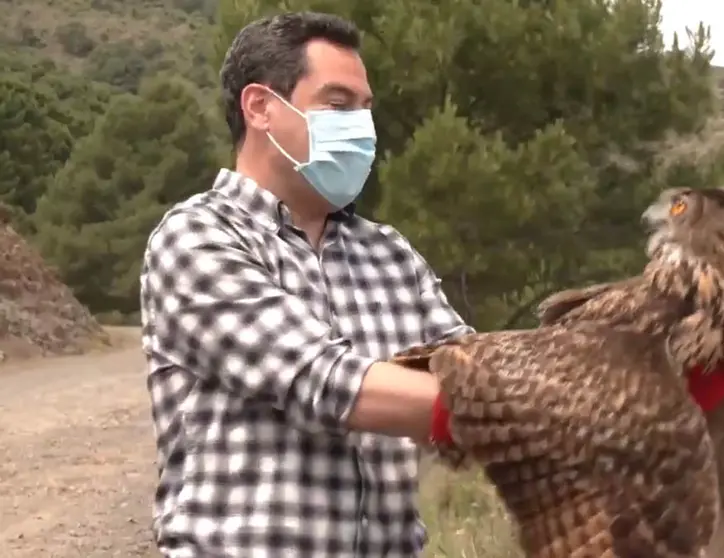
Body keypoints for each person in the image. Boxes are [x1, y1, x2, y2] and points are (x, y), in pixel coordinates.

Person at [139, 11, 473, 557]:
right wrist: (534, 404)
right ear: (260, 108)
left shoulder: (389, 254)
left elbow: (467, 366)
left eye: (366, 110)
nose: (362, 129)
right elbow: (319, 379)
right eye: (338, 105)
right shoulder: (195, 237)